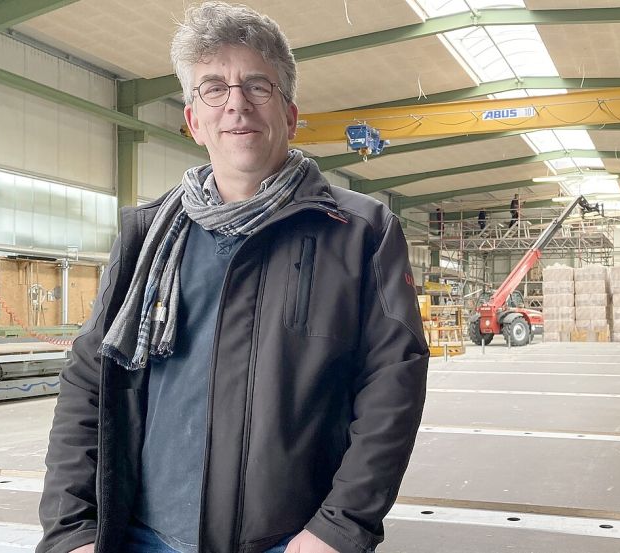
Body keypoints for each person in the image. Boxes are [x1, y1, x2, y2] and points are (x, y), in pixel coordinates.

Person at [37, 3, 429, 553]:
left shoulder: (359, 230)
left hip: (291, 540)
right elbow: (88, 381)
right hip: (141, 537)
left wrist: (339, 529)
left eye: (257, 86)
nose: (236, 103)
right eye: (213, 88)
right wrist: (71, 530)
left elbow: (393, 384)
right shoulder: (148, 235)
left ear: (290, 116)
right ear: (194, 120)